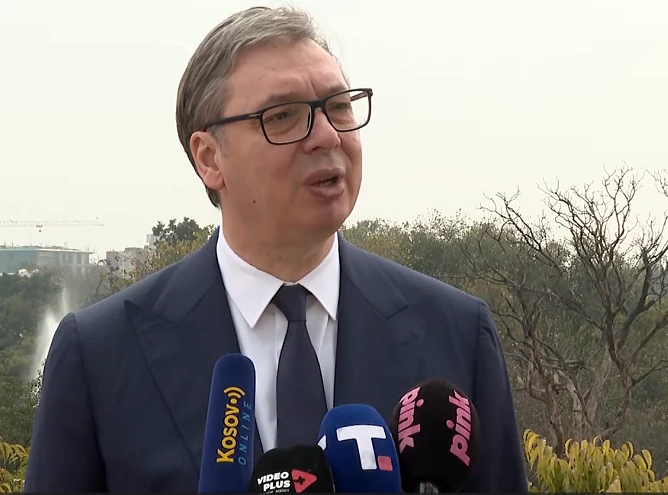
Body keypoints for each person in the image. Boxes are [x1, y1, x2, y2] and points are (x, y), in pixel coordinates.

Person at [24, 5, 528, 493]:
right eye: (284, 116)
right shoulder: (100, 354)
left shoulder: (456, 333)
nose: (327, 136)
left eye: (339, 106)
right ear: (209, 158)